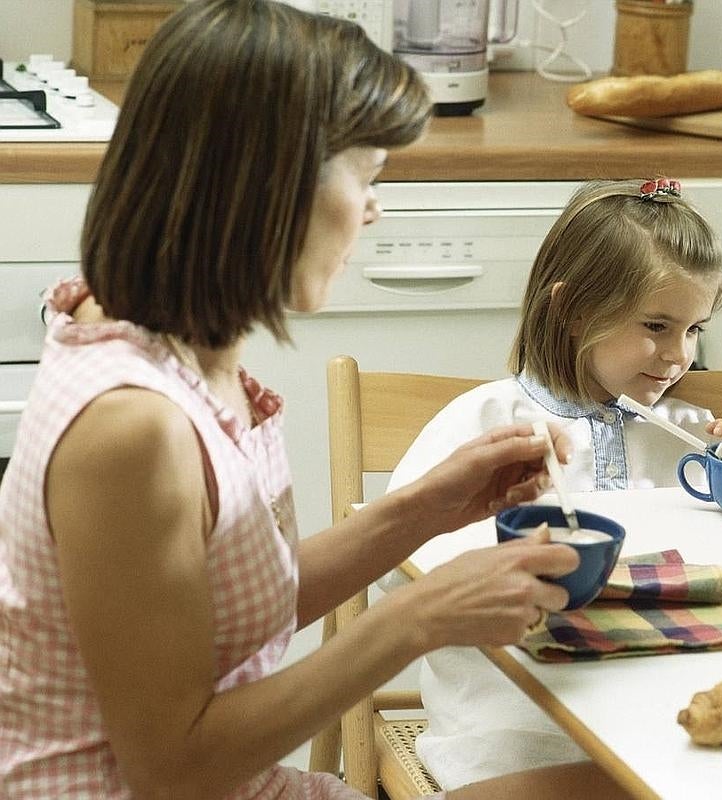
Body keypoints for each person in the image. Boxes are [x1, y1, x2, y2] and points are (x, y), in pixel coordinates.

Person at [0, 2, 629, 798]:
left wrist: (427, 508)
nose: (373, 208)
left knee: (607, 785)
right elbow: (171, 770)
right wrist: (415, 617)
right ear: (269, 184)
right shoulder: (131, 429)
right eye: (367, 173)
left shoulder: (169, 342)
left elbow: (219, 609)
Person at [383, 177, 722, 788]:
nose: (679, 355)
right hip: (513, 724)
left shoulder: (692, 434)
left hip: (661, 713)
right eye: (656, 325)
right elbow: (400, 575)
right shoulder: (485, 425)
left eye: (694, 328)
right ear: (573, 310)